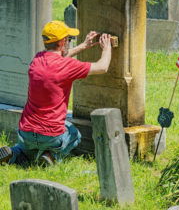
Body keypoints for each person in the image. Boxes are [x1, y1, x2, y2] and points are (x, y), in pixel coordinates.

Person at [0, 20, 112, 165]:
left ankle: (14, 154)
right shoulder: (68, 66)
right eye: (68, 39)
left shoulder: (37, 60)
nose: (68, 42)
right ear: (63, 42)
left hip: (26, 132)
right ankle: (52, 156)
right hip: (51, 136)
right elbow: (102, 67)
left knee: (24, 150)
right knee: (74, 134)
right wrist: (107, 47)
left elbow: (58, 58)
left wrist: (84, 46)